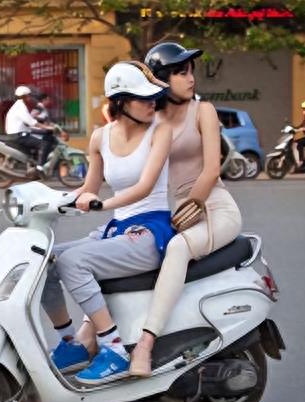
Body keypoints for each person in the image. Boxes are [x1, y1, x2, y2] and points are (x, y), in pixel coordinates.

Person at [41, 61, 174, 385]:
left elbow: (143, 186)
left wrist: (103, 204)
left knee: (74, 261)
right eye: (143, 98)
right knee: (43, 260)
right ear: (121, 101)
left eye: (153, 97)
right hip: (116, 230)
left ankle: (113, 349)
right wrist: (48, 201)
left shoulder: (161, 131)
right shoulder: (100, 137)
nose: (151, 103)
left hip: (149, 232)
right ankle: (70, 343)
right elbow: (89, 188)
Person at [122, 42, 242, 377]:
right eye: (180, 72)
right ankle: (100, 337)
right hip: (173, 214)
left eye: (190, 71)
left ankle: (145, 345)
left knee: (176, 248)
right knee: (120, 246)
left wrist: (196, 203)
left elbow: (211, 171)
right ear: (161, 79)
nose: (190, 78)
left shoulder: (203, 111)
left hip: (214, 209)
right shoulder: (152, 120)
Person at [4, 86, 55, 174]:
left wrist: (40, 127)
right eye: (28, 96)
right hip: (19, 136)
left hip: (19, 134)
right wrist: (47, 127)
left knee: (36, 142)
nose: (30, 98)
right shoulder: (21, 107)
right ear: (24, 97)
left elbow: (28, 123)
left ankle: (32, 165)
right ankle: (39, 168)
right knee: (44, 143)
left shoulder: (18, 106)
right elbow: (31, 122)